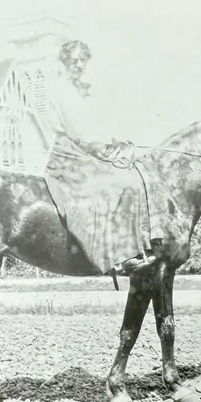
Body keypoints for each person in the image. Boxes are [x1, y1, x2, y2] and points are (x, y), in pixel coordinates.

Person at [44, 40, 157, 275]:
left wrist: (115, 139)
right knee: (120, 184)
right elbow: (80, 133)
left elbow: (92, 126)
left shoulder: (77, 90)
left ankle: (135, 247)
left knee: (130, 177)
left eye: (81, 60)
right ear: (64, 63)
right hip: (69, 155)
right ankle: (118, 256)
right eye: (72, 60)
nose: (77, 64)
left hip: (80, 150)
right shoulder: (62, 90)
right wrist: (108, 144)